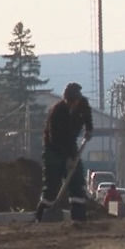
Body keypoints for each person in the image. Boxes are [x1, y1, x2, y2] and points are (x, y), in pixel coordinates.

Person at [34, 82, 94, 222]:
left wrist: (89, 129)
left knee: (77, 182)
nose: (74, 104)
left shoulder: (82, 104)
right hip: (54, 150)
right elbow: (56, 139)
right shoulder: (57, 112)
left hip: (71, 146)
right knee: (51, 186)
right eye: (72, 102)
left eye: (76, 101)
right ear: (67, 100)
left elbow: (87, 117)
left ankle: (78, 218)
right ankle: (42, 216)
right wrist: (68, 157)